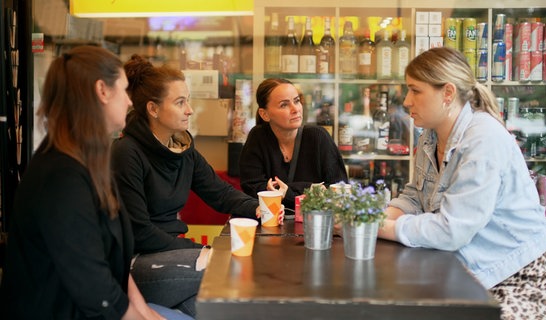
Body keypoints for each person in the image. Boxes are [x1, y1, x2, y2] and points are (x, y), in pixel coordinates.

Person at [378, 47, 546, 319]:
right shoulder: (430, 137)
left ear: (447, 93)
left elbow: (451, 230)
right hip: (476, 273)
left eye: (415, 90)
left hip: (527, 277)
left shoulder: (483, 139)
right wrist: (374, 217)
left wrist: (378, 227)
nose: (407, 101)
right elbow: (415, 196)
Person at [0, 46, 189, 319]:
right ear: (102, 90)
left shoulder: (91, 162)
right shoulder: (60, 178)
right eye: (123, 91)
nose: (128, 101)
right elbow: (95, 289)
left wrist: (146, 313)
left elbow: (117, 269)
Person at [111, 54, 274, 318]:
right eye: (180, 102)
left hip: (174, 255)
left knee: (217, 309)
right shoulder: (126, 153)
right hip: (135, 264)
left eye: (188, 100)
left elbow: (218, 192)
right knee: (227, 269)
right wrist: (201, 251)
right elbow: (139, 233)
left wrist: (258, 208)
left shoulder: (181, 147)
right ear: (153, 109)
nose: (189, 109)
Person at [239, 78, 348, 210]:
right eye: (284, 105)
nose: (295, 109)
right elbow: (252, 189)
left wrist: (286, 192)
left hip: (315, 223)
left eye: (296, 101)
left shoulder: (319, 137)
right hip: (271, 223)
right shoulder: (258, 137)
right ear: (265, 114)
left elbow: (339, 190)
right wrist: (310, 188)